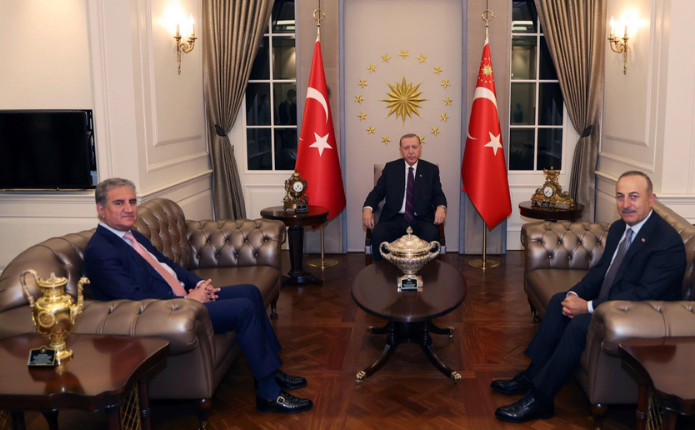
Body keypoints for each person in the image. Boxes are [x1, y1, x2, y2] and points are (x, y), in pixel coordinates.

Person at [83, 178, 312, 414]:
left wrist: (200, 284)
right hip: (165, 315)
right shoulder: (101, 251)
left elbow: (168, 265)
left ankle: (269, 373)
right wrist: (186, 302)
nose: (129, 209)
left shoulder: (132, 236)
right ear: (101, 209)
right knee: (243, 309)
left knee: (250, 292)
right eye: (119, 203)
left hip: (182, 299)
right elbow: (134, 300)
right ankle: (269, 393)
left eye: (132, 201)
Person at [491, 171, 686, 423]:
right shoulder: (620, 228)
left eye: (634, 197)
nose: (625, 204)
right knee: (558, 302)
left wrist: (589, 307)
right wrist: (575, 295)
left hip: (645, 316)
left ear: (651, 199)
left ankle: (540, 399)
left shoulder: (666, 242)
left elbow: (643, 294)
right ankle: (532, 376)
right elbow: (601, 272)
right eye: (620, 196)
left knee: (580, 324)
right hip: (617, 302)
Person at [362, 133, 447, 260]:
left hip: (421, 219)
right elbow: (377, 192)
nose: (411, 152)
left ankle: (429, 276)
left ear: (420, 149)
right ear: (401, 151)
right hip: (394, 218)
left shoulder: (431, 170)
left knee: (431, 234)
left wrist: (441, 207)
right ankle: (381, 275)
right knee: (379, 233)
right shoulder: (391, 168)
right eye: (406, 148)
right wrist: (368, 208)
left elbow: (438, 194)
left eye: (414, 147)